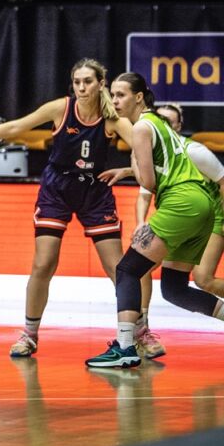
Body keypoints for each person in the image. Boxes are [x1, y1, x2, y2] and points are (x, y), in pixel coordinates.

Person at [0, 58, 165, 360]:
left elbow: (146, 151)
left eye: (88, 81)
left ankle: (139, 332)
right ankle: (29, 334)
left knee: (119, 269)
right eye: (77, 82)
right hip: (56, 189)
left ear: (101, 83)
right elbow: (17, 126)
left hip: (94, 191)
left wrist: (127, 171)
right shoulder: (61, 108)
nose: (82, 87)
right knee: (43, 263)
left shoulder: (113, 119)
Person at [85, 73, 223, 368]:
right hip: (202, 206)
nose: (115, 100)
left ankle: (125, 347)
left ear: (139, 97)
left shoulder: (141, 127)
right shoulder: (160, 125)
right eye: (113, 95)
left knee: (127, 270)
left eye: (121, 94)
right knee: (174, 289)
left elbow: (147, 181)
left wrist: (133, 162)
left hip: (181, 203)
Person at [127, 103, 224, 304]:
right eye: (161, 121)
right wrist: (140, 222)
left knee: (203, 279)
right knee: (140, 265)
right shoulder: (153, 153)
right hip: (178, 218)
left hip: (212, 217)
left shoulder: (194, 151)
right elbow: (144, 194)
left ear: (179, 126)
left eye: (170, 122)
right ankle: (141, 319)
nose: (165, 125)